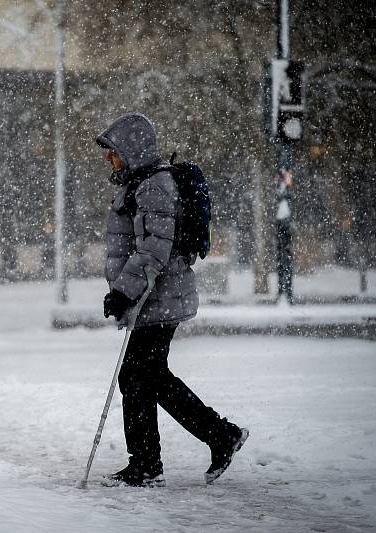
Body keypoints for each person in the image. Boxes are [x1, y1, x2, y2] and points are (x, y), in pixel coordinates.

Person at [95, 112, 248, 487]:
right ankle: (204, 441)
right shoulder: (139, 184)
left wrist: (122, 292)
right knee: (146, 377)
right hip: (153, 299)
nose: (108, 159)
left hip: (158, 299)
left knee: (139, 377)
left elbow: (153, 250)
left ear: (130, 150)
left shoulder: (152, 187)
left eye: (113, 152)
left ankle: (154, 461)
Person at [275, 169, 294, 303]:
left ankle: (286, 292)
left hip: (285, 224)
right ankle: (283, 291)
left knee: (285, 262)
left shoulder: (286, 185)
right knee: (283, 262)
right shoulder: (281, 187)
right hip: (282, 224)